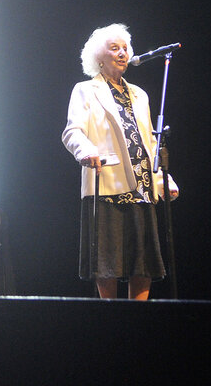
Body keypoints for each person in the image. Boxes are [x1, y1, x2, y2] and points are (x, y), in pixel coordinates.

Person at [61, 23, 177, 299]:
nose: (122, 53)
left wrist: (163, 180)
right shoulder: (85, 90)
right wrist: (85, 151)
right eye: (115, 48)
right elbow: (72, 131)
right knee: (107, 264)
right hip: (107, 183)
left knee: (143, 264)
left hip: (142, 187)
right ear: (98, 57)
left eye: (125, 48)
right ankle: (110, 322)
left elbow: (149, 142)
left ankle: (137, 324)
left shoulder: (140, 94)